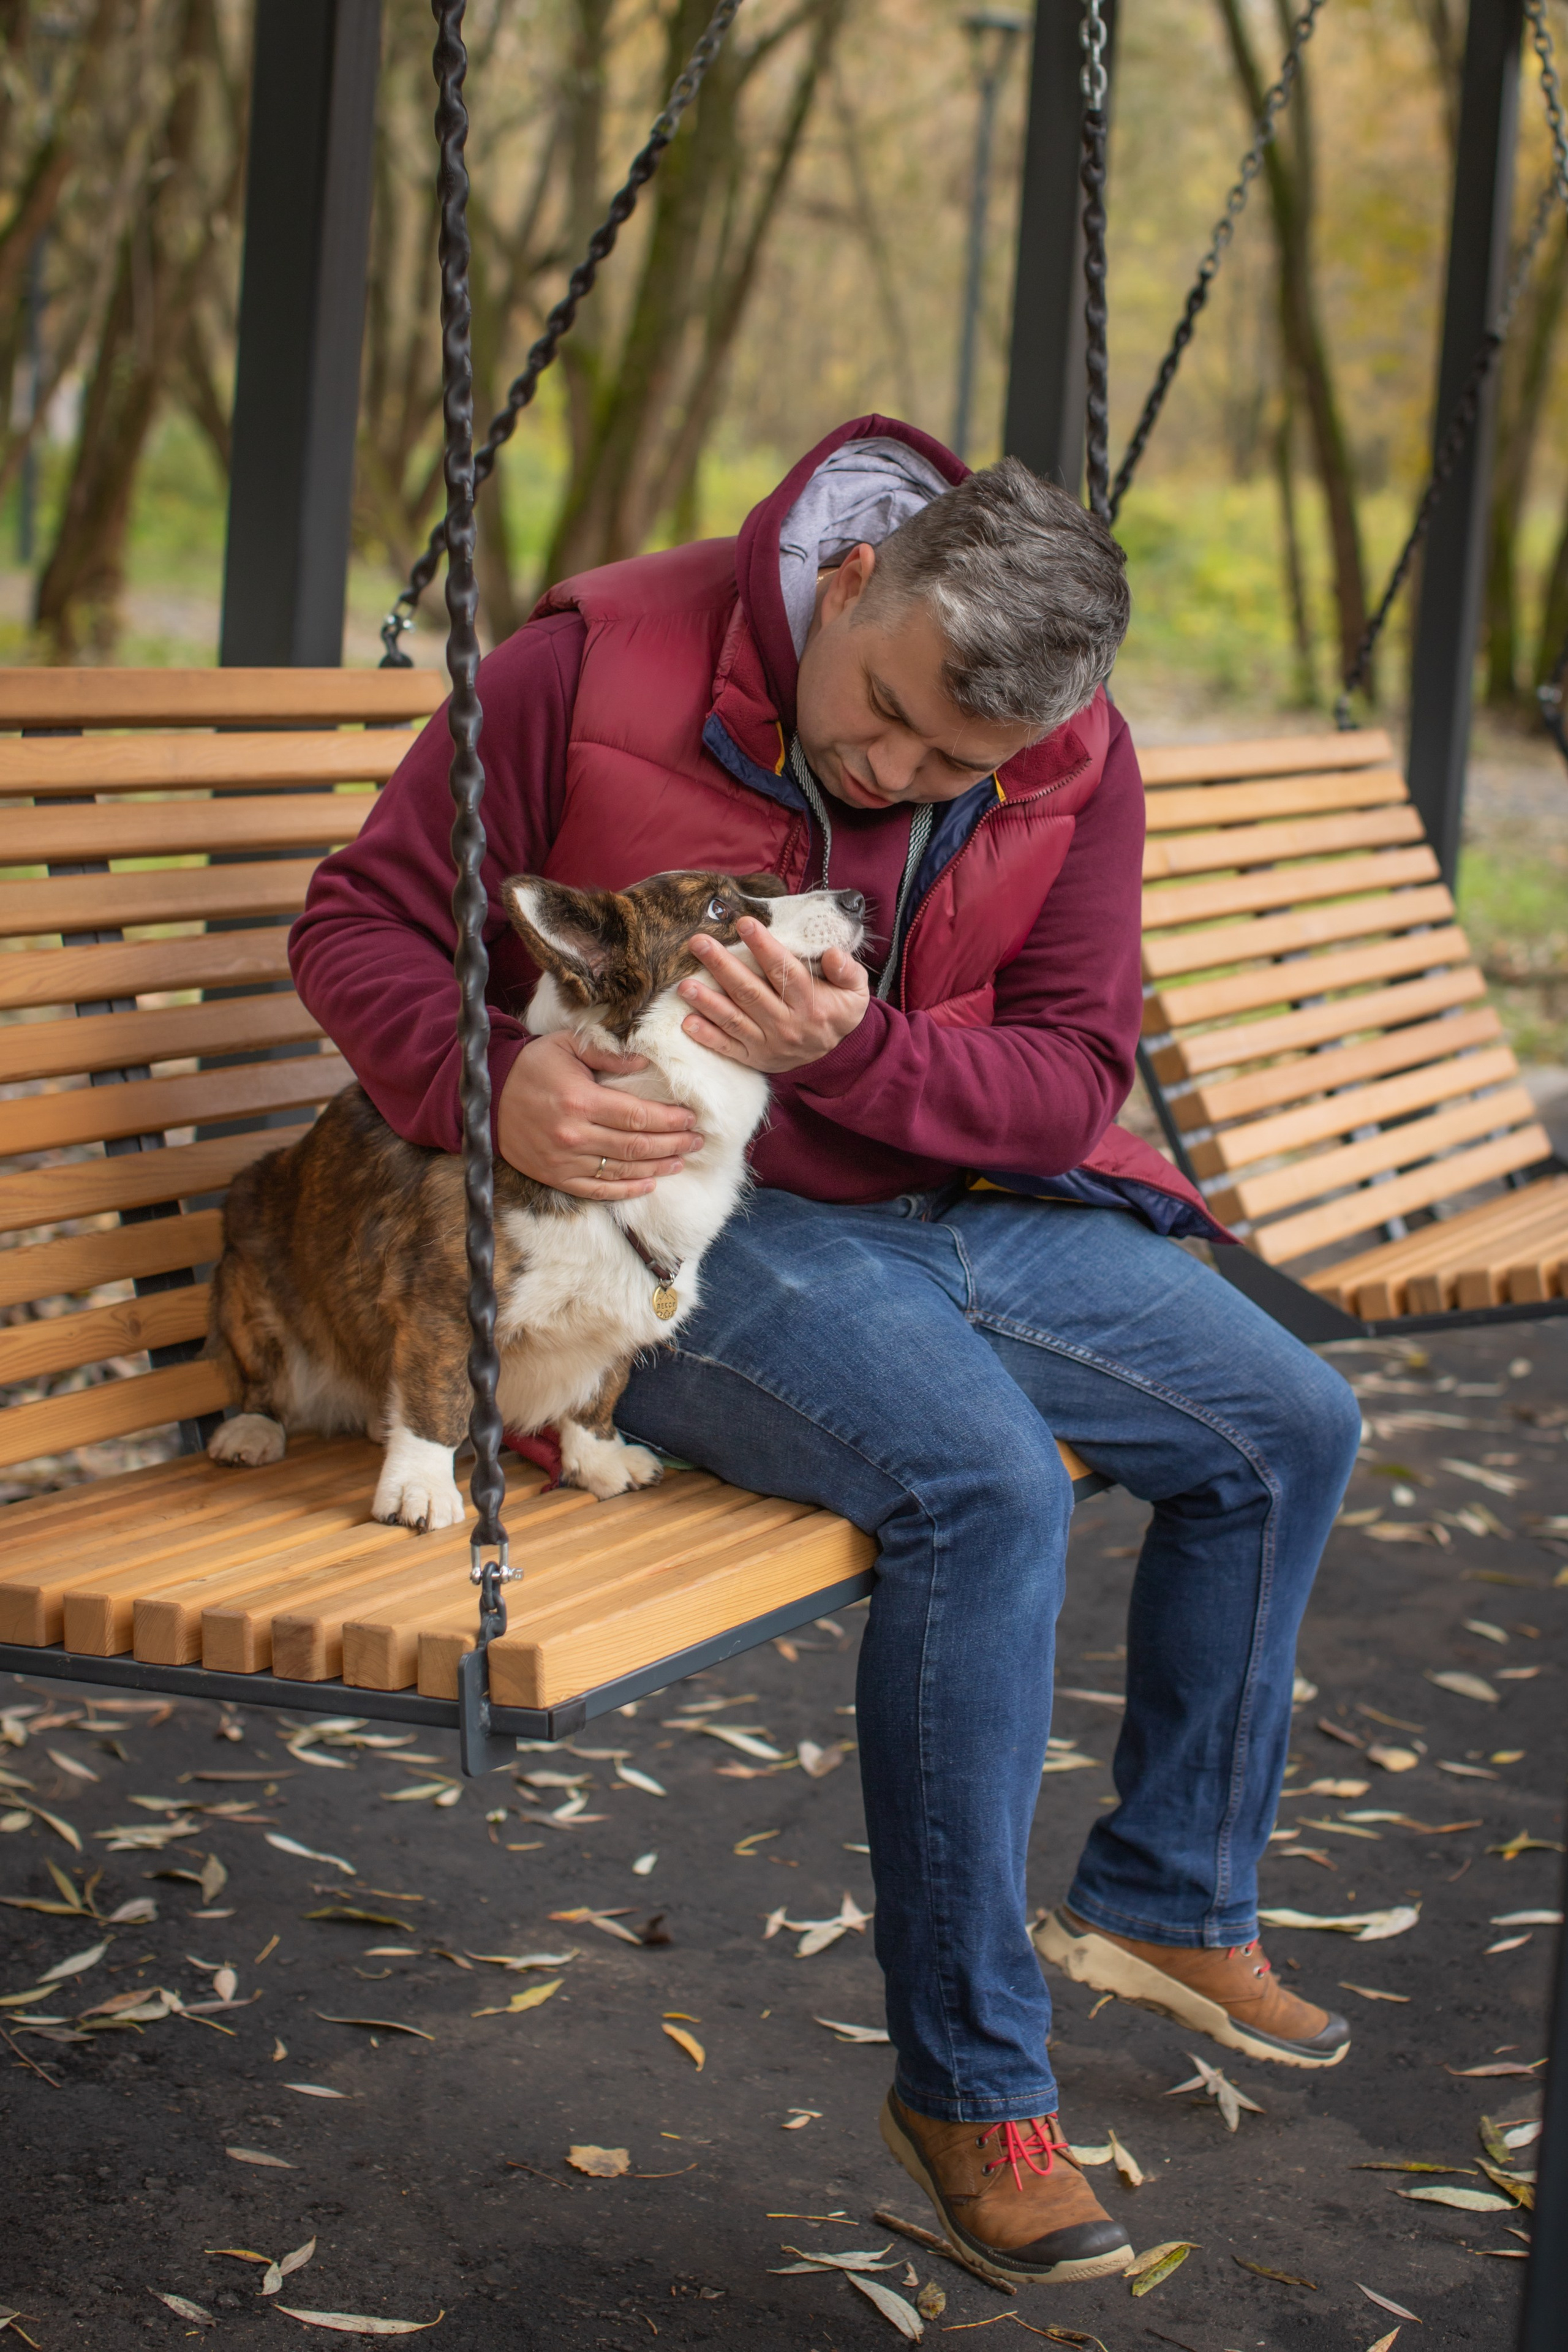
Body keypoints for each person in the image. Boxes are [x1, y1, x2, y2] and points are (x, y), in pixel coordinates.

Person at [291, 418, 1363, 2286]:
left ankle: (1171, 1895)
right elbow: (358, 920)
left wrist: (853, 1060)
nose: (902, 773)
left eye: (966, 765)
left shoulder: (1073, 755)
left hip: (954, 1186)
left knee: (1289, 1419)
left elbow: (1067, 1072)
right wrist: (492, 1084)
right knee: (981, 1489)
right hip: (700, 1225)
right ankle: (973, 2082)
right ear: (855, 578)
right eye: (891, 718)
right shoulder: (591, 665)